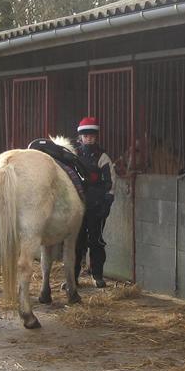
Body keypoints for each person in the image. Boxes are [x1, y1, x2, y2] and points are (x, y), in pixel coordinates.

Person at [74, 116, 115, 287]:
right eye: (86, 136)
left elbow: (110, 182)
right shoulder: (74, 155)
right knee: (76, 242)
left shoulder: (103, 157)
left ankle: (97, 275)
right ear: (80, 137)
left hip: (96, 206)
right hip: (77, 206)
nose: (89, 139)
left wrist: (106, 203)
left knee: (96, 241)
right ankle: (72, 278)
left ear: (96, 137)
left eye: (92, 136)